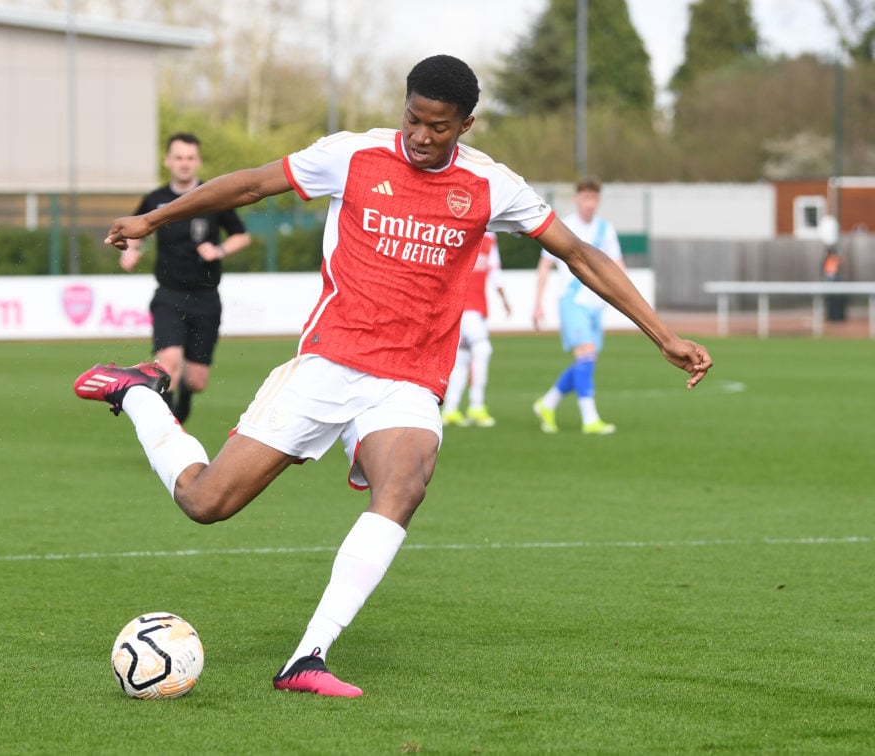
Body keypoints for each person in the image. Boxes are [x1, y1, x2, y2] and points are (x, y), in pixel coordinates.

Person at [74, 55, 712, 698]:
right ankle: (137, 394)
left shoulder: (492, 185)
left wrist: (664, 335)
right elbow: (248, 185)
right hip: (330, 361)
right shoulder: (352, 156)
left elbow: (577, 253)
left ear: (466, 124)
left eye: (439, 126)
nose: (421, 136)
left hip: (409, 379)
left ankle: (307, 657)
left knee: (405, 484)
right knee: (206, 502)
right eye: (413, 118)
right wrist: (153, 221)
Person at [119, 133, 252, 423]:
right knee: (168, 366)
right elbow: (135, 232)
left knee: (195, 380)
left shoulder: (214, 197)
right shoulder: (155, 200)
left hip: (206, 299)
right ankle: (168, 428)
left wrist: (219, 250)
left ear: (198, 161)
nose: (184, 163)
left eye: (190, 158)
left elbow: (242, 236)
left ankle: (184, 403)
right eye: (178, 157)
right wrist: (130, 251)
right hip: (169, 295)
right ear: (168, 161)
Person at [532, 177, 625, 435]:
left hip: (596, 305)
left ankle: (546, 403)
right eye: (585, 198)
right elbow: (545, 265)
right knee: (585, 356)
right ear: (577, 199)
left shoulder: (606, 230)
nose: (589, 203)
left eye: (594, 198)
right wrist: (538, 303)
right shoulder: (564, 227)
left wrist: (627, 300)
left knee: (587, 361)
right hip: (571, 302)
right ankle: (590, 419)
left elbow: (617, 266)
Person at [441, 231, 512, 427]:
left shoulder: (490, 237)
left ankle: (451, 409)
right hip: (462, 307)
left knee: (462, 357)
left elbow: (494, 270)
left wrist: (504, 299)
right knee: (482, 349)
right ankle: (476, 406)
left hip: (472, 307)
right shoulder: (458, 228)